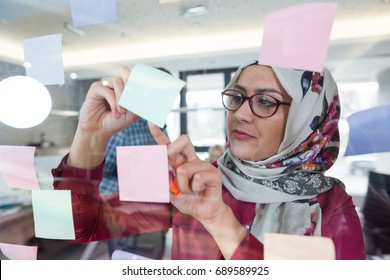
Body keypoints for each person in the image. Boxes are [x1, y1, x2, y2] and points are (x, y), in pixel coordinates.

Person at [52, 62, 366, 260]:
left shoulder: (329, 204)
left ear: (306, 120)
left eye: (265, 101)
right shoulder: (195, 183)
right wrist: (90, 135)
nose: (241, 114)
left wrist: (219, 220)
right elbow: (70, 225)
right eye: (236, 97)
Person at [99, 118, 168, 259]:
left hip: (155, 216)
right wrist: (133, 188)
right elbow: (99, 178)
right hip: (127, 218)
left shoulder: (160, 127)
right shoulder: (122, 129)